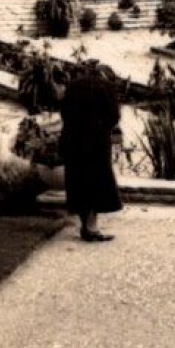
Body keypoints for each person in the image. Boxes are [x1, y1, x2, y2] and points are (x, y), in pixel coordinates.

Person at [59, 69, 123, 241]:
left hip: (73, 140)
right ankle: (91, 228)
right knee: (96, 182)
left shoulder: (73, 85)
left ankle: (85, 226)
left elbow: (64, 111)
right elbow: (114, 115)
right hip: (96, 141)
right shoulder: (106, 87)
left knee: (78, 181)